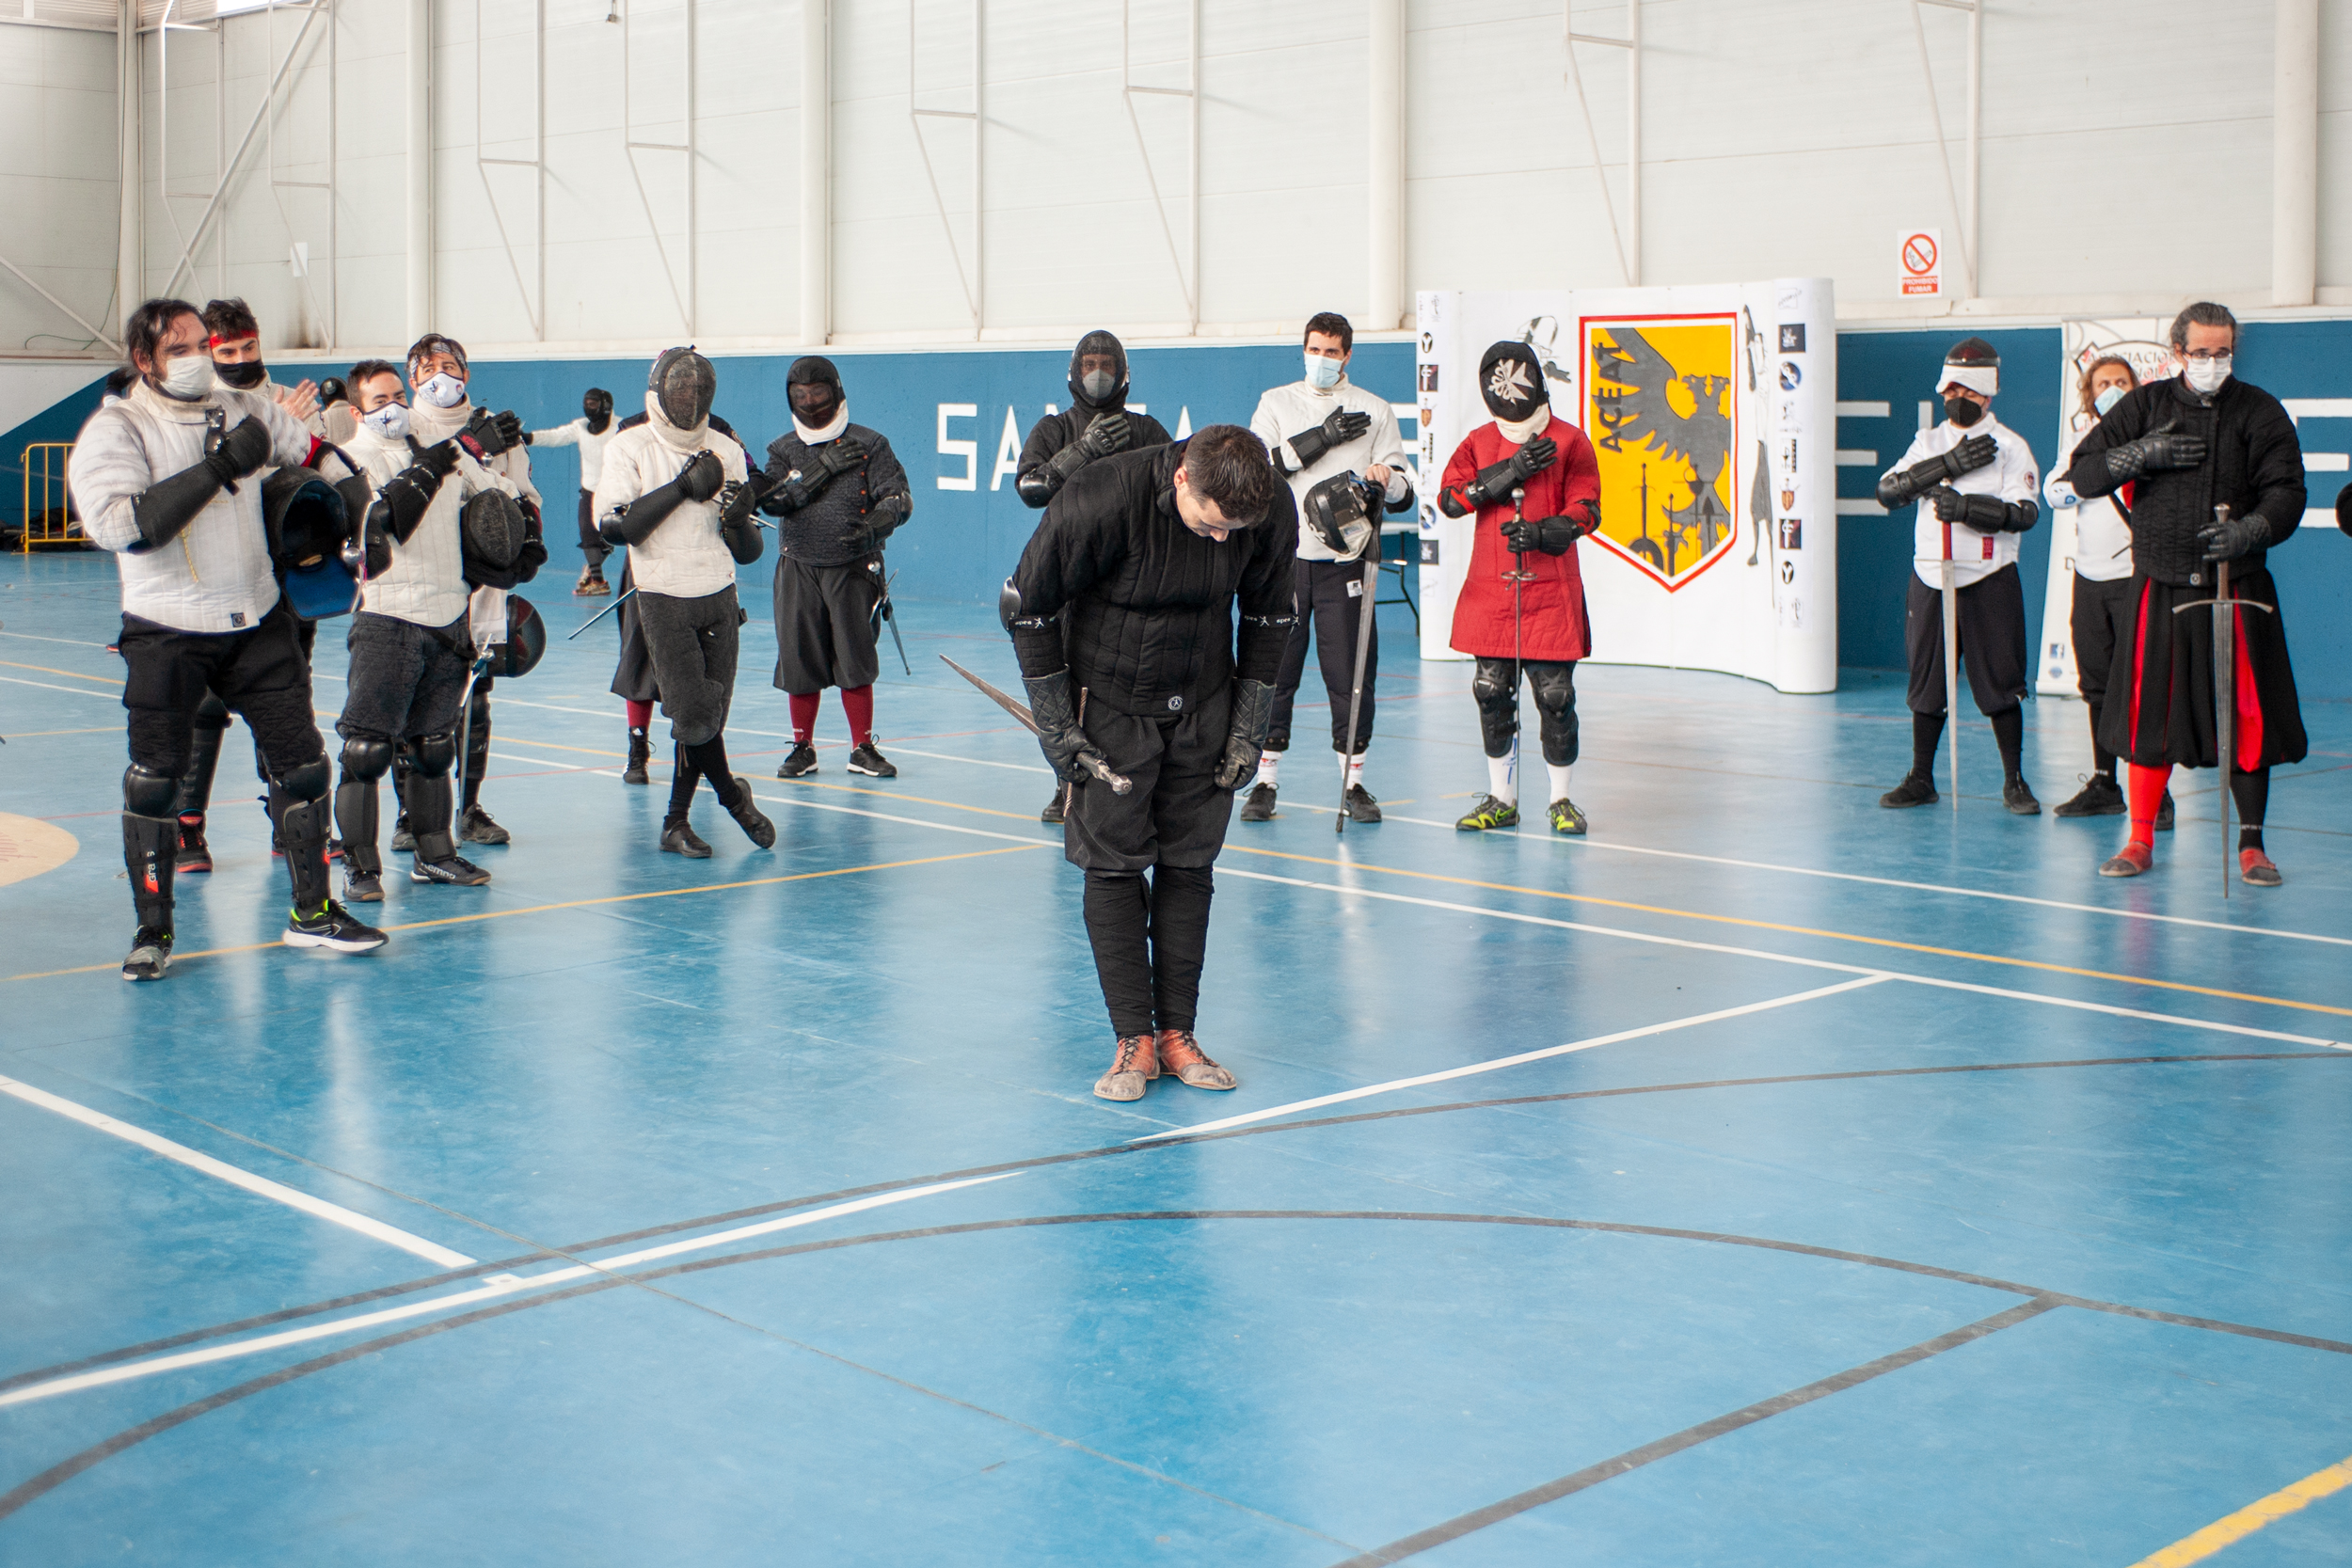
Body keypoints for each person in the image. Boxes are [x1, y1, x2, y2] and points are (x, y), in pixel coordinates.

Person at [70, 298, 386, 979]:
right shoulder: (118, 427)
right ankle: (152, 930)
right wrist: (216, 470)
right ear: (145, 360)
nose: (196, 358)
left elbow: (315, 451)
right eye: (177, 348)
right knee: (156, 782)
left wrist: (363, 509)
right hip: (166, 626)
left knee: (303, 768)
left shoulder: (242, 408)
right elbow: (122, 526)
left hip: (257, 618)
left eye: (200, 345)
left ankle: (312, 913)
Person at [1002, 424, 1295, 1101]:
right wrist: (1057, 725)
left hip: (1205, 699)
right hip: (1107, 703)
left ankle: (1177, 1034)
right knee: (1114, 864)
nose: (1221, 540)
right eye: (1212, 524)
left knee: (1191, 863)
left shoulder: (1267, 504)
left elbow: (1269, 615)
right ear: (1182, 477)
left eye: (1233, 531)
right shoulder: (1101, 496)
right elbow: (1029, 607)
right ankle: (1132, 1038)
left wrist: (1248, 728)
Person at [2065, 302, 2308, 885]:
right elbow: (2085, 472)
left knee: (2247, 717)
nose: (2212, 362)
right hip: (2161, 583)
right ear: (2178, 352)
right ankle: (2140, 839)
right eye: (2201, 352)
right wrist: (2138, 454)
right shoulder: (2144, 406)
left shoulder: (2261, 410)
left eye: (2223, 352)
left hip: (2237, 586)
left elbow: (2287, 490)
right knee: (2149, 716)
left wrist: (2251, 529)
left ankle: (2252, 846)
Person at [330, 346, 542, 899]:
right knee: (366, 751)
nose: (393, 407)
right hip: (386, 619)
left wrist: (520, 538)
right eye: (379, 399)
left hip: (448, 619)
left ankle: (436, 854)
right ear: (356, 410)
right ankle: (361, 867)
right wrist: (452, 453)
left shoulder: (439, 451)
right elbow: (382, 523)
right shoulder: (347, 460)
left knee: (432, 748)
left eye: (398, 397)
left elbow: (496, 495)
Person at [170, 296, 339, 874]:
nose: (241, 359)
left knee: (288, 699)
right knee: (205, 705)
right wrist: (265, 429)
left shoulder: (297, 402)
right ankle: (187, 827)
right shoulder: (195, 410)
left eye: (249, 347)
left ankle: (288, 821)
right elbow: (199, 488)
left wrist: (302, 427)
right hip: (219, 575)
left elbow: (319, 475)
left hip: (288, 574)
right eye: (227, 352)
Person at [595, 347, 774, 857]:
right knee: (693, 714)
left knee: (708, 718)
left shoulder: (726, 447)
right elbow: (618, 527)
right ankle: (734, 798)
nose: (689, 397)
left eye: (698, 389)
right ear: (659, 390)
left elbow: (749, 553)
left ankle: (676, 822)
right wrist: (680, 488)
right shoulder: (629, 444)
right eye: (680, 388)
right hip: (662, 593)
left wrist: (739, 520)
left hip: (719, 592)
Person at [1243, 310, 1413, 824]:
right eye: (1314, 349)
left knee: (1351, 676)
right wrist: (1321, 436)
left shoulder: (1375, 409)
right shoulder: (1276, 402)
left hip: (1347, 561)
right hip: (1285, 561)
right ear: (1304, 350)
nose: (1321, 359)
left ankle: (1352, 783)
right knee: (1275, 673)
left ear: (1347, 355)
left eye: (1331, 352)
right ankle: (1264, 781)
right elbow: (1260, 468)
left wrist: (1387, 480)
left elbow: (1404, 488)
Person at [1872, 337, 2043, 815]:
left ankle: (2014, 781)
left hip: (1988, 576)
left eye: (1966, 390)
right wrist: (1944, 466)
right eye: (1950, 389)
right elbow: (1888, 491)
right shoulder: (1927, 442)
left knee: (2000, 682)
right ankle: (1920, 777)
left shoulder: (2010, 447)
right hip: (1931, 576)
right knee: (1927, 681)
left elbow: (2025, 513)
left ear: (1986, 393)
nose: (1956, 398)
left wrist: (1967, 508)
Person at [1438, 340, 1601, 834]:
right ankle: (1502, 798)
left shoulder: (1571, 441)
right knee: (1491, 691)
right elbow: (1451, 500)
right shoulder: (1478, 442)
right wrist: (1510, 470)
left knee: (1555, 696)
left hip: (1549, 588)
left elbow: (1588, 509)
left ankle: (1561, 799)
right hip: (1492, 591)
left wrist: (1544, 532)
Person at [1016, 330, 1173, 825]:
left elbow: (1175, 491)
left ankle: (1137, 774)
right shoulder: (1054, 429)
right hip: (1067, 569)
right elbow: (1031, 489)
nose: (1098, 374)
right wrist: (1081, 451)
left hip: (1131, 574)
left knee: (1121, 678)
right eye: (1090, 365)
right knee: (1064, 677)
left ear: (1123, 374)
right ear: (1074, 373)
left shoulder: (1147, 430)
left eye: (1107, 364)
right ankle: (1065, 781)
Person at [758, 356, 913, 780]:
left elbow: (897, 497)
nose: (811, 403)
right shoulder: (782, 449)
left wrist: (875, 526)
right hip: (798, 566)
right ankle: (802, 747)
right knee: (799, 660)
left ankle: (862, 748)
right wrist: (821, 468)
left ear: (837, 391)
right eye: (801, 395)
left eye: (818, 393)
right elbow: (773, 501)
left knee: (855, 658)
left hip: (854, 567)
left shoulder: (871, 443)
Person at [2044, 356, 2171, 830]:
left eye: (2121, 381)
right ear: (2089, 394)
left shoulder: (2154, 439)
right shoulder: (2081, 444)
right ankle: (2105, 783)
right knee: (2096, 683)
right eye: (2103, 383)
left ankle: (2157, 792)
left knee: (2144, 683)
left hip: (2139, 576)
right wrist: (2099, 473)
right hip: (2090, 580)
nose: (2112, 389)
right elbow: (2055, 494)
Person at [609, 408, 752, 787]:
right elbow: (617, 513)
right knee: (639, 657)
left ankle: (698, 766)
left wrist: (742, 503)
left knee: (706, 676)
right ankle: (637, 746)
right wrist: (681, 486)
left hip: (706, 569)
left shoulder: (720, 431)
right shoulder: (632, 431)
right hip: (651, 568)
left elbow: (750, 479)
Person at [528, 388, 620, 596]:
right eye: (587, 404)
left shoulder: (620, 428)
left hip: (614, 491)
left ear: (605, 406)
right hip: (589, 491)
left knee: (610, 535)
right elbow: (555, 436)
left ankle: (593, 570)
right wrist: (529, 437)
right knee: (587, 532)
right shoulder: (580, 426)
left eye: (593, 404)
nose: (589, 408)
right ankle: (597, 579)